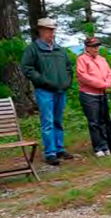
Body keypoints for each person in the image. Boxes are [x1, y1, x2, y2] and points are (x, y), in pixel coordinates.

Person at [20, 18, 74, 165]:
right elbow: (27, 68)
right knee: (48, 122)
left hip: (60, 90)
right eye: (49, 30)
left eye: (53, 30)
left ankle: (59, 149)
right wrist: (43, 80)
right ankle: (50, 153)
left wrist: (67, 82)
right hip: (44, 91)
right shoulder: (33, 49)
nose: (52, 33)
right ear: (41, 31)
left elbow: (69, 68)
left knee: (58, 121)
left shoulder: (60, 49)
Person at [76, 37, 111, 157]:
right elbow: (83, 77)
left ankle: (106, 146)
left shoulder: (102, 59)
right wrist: (102, 84)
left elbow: (109, 73)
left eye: (97, 46)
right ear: (87, 47)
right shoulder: (81, 59)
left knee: (104, 121)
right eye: (93, 46)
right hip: (89, 95)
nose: (96, 49)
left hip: (102, 94)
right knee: (94, 122)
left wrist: (108, 83)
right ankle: (98, 148)